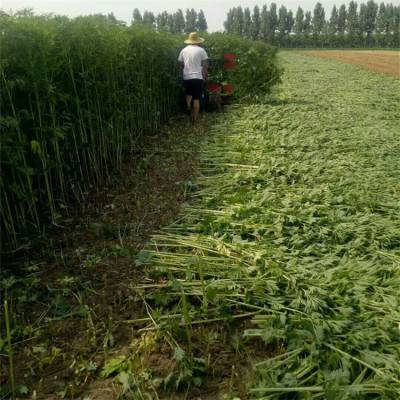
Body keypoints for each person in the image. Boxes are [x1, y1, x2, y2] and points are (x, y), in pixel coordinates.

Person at [178, 32, 208, 122]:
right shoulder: (201, 50)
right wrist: (205, 76)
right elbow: (205, 66)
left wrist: (182, 72)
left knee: (188, 93)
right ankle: (194, 118)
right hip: (198, 77)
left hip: (187, 77)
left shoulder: (183, 50)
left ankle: (187, 106)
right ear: (198, 41)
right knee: (196, 98)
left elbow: (179, 63)